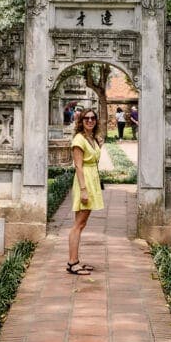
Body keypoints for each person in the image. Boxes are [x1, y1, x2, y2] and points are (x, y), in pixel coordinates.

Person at [67, 108, 103, 275]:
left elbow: (93, 159)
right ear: (81, 121)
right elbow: (79, 166)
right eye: (86, 118)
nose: (90, 121)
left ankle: (75, 260)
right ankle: (72, 262)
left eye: (93, 118)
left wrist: (98, 145)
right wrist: (83, 190)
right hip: (84, 181)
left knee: (82, 224)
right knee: (78, 225)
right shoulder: (79, 140)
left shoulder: (92, 138)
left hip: (92, 180)